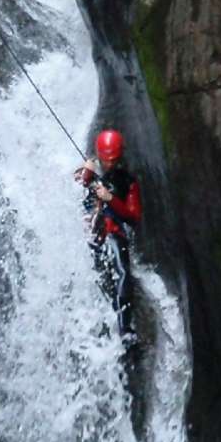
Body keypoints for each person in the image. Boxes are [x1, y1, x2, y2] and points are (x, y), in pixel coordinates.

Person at [74, 128, 142, 343]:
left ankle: (125, 327)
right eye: (105, 159)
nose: (109, 164)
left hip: (112, 231)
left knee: (123, 272)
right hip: (90, 232)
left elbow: (133, 216)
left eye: (112, 159)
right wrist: (86, 172)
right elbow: (70, 189)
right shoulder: (90, 172)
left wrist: (111, 198)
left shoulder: (127, 181)